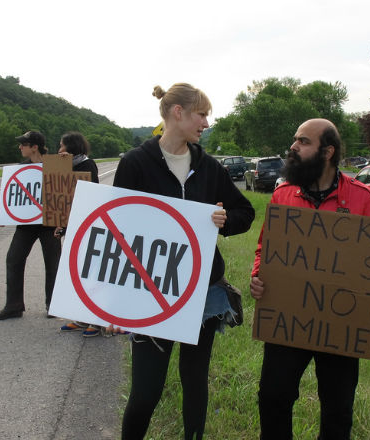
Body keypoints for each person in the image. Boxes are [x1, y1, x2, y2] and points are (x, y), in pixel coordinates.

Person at [249, 118, 370, 440]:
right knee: (274, 397)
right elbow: (265, 247)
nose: (293, 147)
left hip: (341, 323)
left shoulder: (362, 198)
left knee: (338, 408)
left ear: (327, 151)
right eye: (295, 140)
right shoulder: (284, 195)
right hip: (289, 317)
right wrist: (259, 274)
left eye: (303, 141)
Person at [113, 83, 255, 440]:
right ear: (178, 112)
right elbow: (116, 229)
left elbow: (245, 211)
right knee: (146, 391)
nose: (206, 121)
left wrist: (225, 221)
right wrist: (112, 305)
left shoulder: (209, 167)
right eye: (201, 114)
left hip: (202, 292)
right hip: (151, 294)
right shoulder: (135, 163)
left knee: (195, 382)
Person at [0, 131, 62, 320]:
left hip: (49, 223)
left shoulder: (55, 165)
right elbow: (14, 194)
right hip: (26, 225)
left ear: (34, 147)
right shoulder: (20, 169)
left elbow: (64, 193)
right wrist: (6, 215)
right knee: (14, 259)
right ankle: (13, 305)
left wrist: (62, 222)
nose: (20, 147)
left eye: (24, 144)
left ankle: (53, 305)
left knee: (53, 264)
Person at [54, 131, 104, 337]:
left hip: (89, 226)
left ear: (71, 148)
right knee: (77, 274)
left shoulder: (87, 165)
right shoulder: (64, 166)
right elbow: (61, 199)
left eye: (61, 146)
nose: (59, 151)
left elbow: (85, 198)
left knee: (91, 274)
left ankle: (97, 320)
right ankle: (82, 318)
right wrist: (62, 226)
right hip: (73, 225)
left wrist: (65, 166)